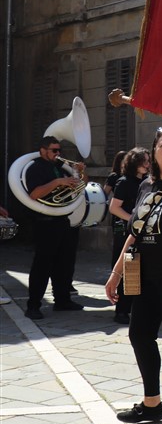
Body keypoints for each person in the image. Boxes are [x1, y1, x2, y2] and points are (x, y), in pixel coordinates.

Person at [104, 129, 162, 424]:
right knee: (140, 335)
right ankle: (152, 403)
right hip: (142, 275)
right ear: (153, 151)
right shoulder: (147, 184)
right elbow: (135, 232)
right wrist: (116, 273)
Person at [23, 135, 83, 319]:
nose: (58, 153)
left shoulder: (59, 167)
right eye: (54, 150)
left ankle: (62, 300)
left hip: (62, 219)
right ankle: (33, 305)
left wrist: (78, 173)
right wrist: (58, 182)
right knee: (42, 265)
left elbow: (80, 185)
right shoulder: (35, 168)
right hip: (45, 222)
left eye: (59, 150)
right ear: (43, 150)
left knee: (65, 263)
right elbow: (34, 194)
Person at [108, 146, 150, 324]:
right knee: (127, 270)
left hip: (141, 233)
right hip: (125, 232)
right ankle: (121, 311)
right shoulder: (124, 182)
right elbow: (114, 207)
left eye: (148, 160)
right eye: (144, 161)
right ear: (135, 163)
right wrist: (134, 220)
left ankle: (135, 309)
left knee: (138, 271)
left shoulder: (147, 182)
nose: (147, 164)